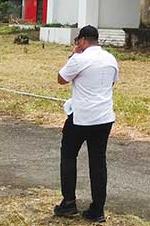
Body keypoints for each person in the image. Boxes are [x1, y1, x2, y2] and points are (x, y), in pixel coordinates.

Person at [53, 25, 119, 223]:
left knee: (68, 156)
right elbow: (112, 83)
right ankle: (97, 209)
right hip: (104, 117)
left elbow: (61, 79)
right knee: (98, 162)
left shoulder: (79, 59)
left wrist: (73, 55)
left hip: (81, 117)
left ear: (82, 40)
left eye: (77, 41)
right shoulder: (110, 58)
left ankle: (69, 203)